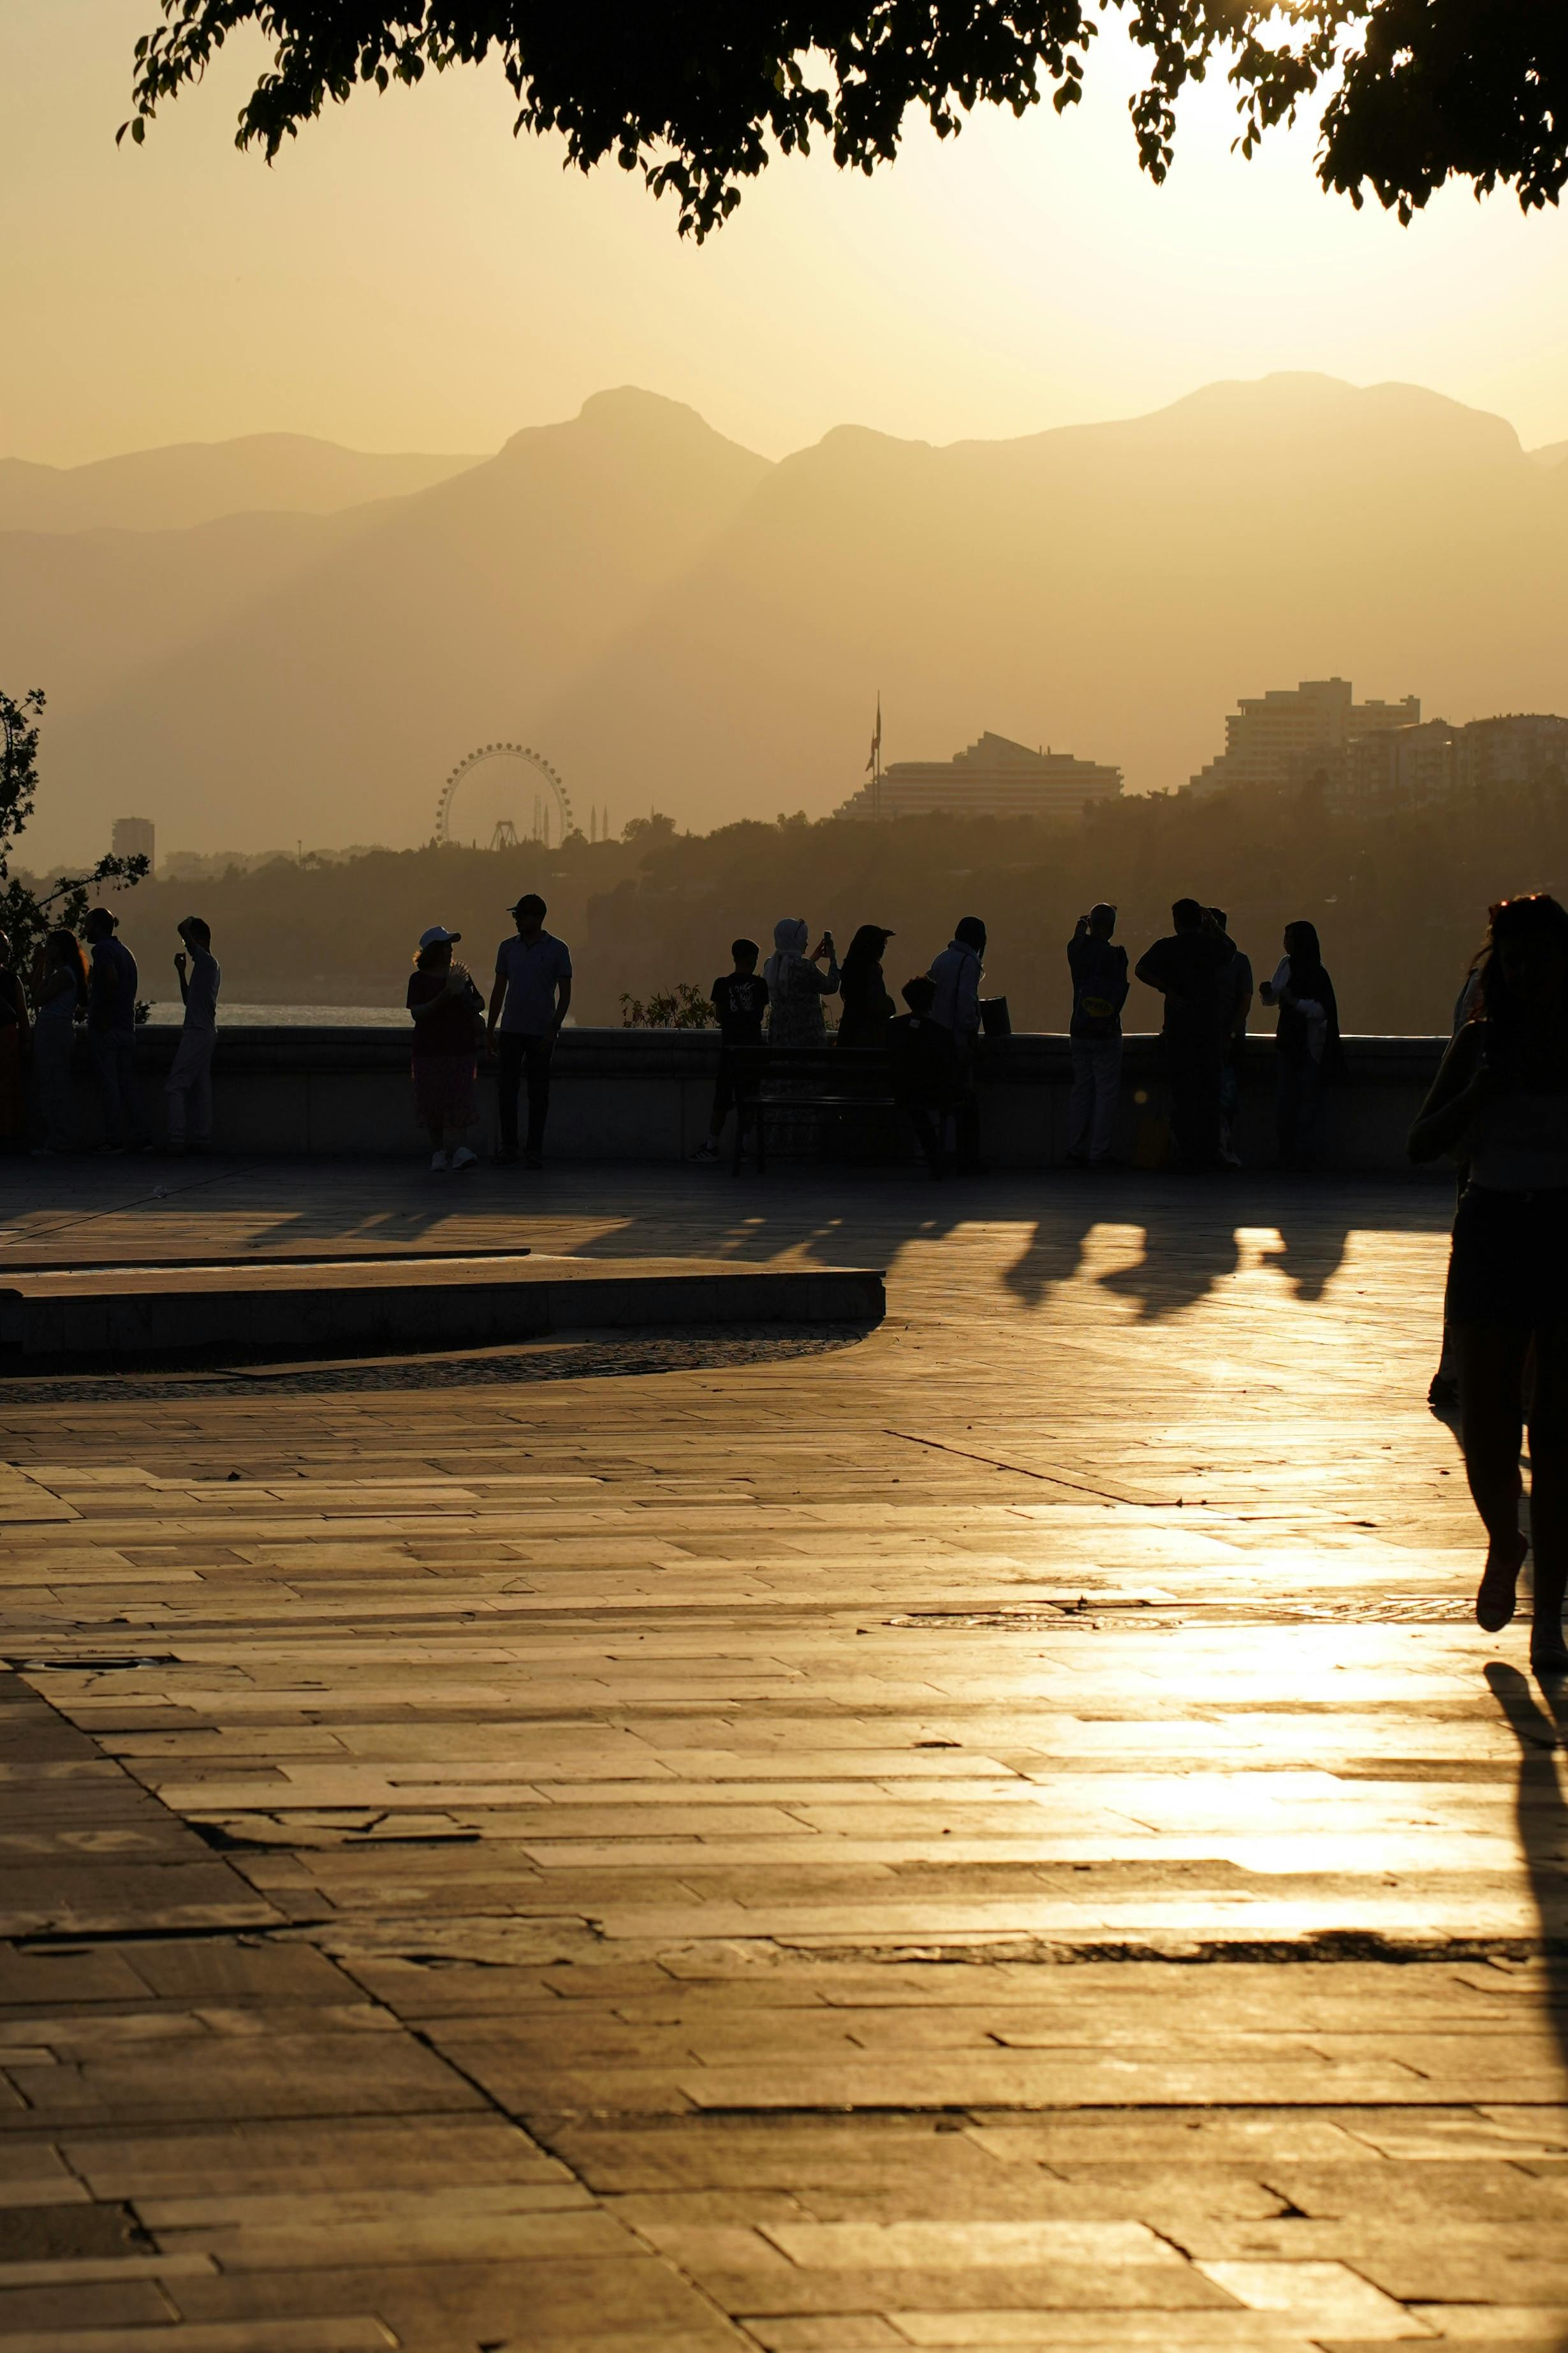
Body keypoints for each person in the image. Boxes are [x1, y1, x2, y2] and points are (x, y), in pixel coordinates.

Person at [1409, 893, 1568, 1671]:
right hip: (1492, 1227)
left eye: (1540, 959)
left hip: (1562, 1229)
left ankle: (1549, 1619)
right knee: (1488, 1418)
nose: (1527, 973)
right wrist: (1481, 1089)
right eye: (1514, 960)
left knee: (1559, 1434)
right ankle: (1506, 1539)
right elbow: (1421, 1141)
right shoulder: (1476, 1043)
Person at [1134, 899, 1231, 1170]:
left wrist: (1166, 989)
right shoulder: (1209, 946)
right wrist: (1215, 927)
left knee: (1183, 1095)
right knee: (1209, 1096)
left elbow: (1140, 969)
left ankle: (1187, 1154)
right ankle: (1208, 1154)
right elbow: (1231, 950)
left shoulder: (1167, 947)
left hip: (1179, 1030)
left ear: (1176, 921)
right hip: (1208, 1030)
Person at [487, 893, 572, 1169]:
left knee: (538, 1093)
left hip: (541, 1032)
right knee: (507, 1090)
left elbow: (565, 995)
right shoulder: (507, 948)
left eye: (520, 916)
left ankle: (534, 1150)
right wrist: (490, 1029)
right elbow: (499, 991)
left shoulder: (558, 949)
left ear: (537, 918)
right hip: (511, 1029)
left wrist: (554, 1029)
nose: (517, 921)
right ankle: (509, 1147)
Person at [1260, 920, 1341, 1169]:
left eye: (1290, 938)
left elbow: (1321, 1011)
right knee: (1285, 1106)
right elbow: (1274, 997)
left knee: (1306, 1106)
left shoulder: (1317, 974)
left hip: (1309, 1048)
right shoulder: (1286, 965)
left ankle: (1304, 1156)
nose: (1286, 943)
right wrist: (1268, 992)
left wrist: (1294, 1002)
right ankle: (1287, 1155)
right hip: (1288, 1044)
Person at [407, 924, 483, 1170]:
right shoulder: (418, 980)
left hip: (460, 1046)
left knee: (461, 1097)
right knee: (432, 1101)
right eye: (446, 946)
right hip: (429, 1049)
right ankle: (438, 1152)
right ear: (435, 950)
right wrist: (445, 995)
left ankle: (461, 1149)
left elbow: (479, 1002)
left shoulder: (461, 978)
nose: (451, 950)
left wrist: (462, 995)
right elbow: (418, 1013)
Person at [692, 938, 767, 1163]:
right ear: (751, 959)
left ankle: (712, 1145)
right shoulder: (760, 985)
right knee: (749, 1099)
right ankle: (743, 1147)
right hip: (752, 1052)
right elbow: (759, 1015)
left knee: (722, 1100)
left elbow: (719, 1016)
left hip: (730, 1051)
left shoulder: (721, 984)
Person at [1065, 904, 1128, 1169]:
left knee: (1081, 1090)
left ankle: (1075, 1149)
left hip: (1079, 1029)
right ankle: (1099, 1152)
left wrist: (1081, 927)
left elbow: (1076, 941)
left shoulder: (1076, 951)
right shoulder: (1114, 956)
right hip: (1105, 1032)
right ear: (1111, 927)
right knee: (1105, 1093)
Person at [83, 906, 146, 1153]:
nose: (85, 930)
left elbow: (110, 980)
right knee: (128, 1084)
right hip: (126, 1026)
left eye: (88, 925)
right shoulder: (125, 952)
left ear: (98, 927)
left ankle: (114, 1139)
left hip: (108, 1028)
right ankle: (142, 1136)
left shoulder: (102, 950)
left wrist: (100, 1014)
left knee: (109, 1084)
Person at [888, 974, 962, 1176]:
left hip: (902, 1091)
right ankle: (958, 1160)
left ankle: (935, 1157)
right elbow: (953, 1067)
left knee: (915, 1105)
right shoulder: (941, 1033)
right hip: (934, 1092)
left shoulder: (894, 1028)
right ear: (931, 1001)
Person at [929, 916, 986, 1174]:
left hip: (937, 1038)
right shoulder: (969, 962)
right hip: (956, 1040)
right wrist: (971, 1026)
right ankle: (966, 1158)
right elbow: (965, 1000)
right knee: (964, 1101)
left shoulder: (943, 958)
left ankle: (945, 1152)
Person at [165, 916, 221, 1155]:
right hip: (206, 1031)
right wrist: (182, 973)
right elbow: (189, 1000)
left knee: (175, 1086)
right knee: (201, 1089)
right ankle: (202, 1138)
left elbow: (181, 927)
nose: (186, 946)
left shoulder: (206, 961)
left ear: (200, 939)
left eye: (189, 941)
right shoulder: (208, 966)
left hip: (197, 1032)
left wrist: (189, 920)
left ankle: (176, 1139)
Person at [29, 929, 86, 1155]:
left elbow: (39, 998)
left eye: (51, 945)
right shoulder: (60, 973)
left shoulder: (64, 975)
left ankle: (61, 1139)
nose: (47, 948)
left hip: (55, 1030)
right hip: (52, 1030)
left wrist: (45, 971)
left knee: (55, 1085)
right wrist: (42, 968)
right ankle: (56, 1138)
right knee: (51, 1083)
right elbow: (35, 993)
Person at [1209, 908, 1254, 1170]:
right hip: (1218, 1038)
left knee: (1224, 1101)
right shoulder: (1237, 961)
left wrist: (1232, 1034)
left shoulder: (1236, 961)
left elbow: (1244, 1002)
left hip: (1225, 1040)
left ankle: (1222, 1149)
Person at [764, 918, 839, 1047]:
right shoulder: (805, 967)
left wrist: (812, 959)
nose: (806, 943)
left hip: (780, 1037)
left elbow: (793, 976)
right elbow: (831, 986)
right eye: (804, 939)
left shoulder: (771, 965)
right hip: (807, 1039)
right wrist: (833, 959)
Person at [837, 925, 897, 1051]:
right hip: (867, 1034)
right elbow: (877, 1004)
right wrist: (890, 1004)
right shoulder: (872, 970)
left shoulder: (850, 967)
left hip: (849, 1029)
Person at [0, 931, 30, 1150]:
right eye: (4, 946)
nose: (9, 950)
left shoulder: (12, 980)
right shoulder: (12, 981)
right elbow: (23, 1015)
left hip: (7, 1036)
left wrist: (26, 1041)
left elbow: (23, 1015)